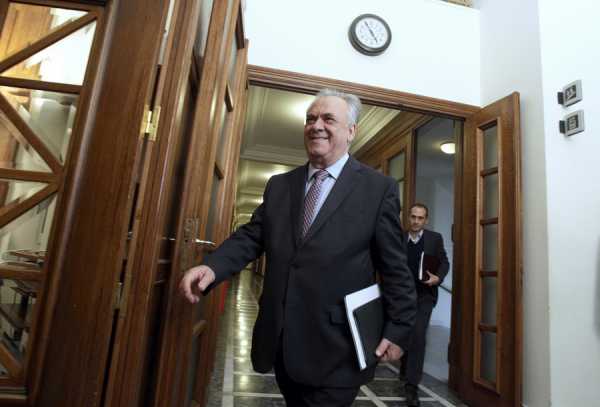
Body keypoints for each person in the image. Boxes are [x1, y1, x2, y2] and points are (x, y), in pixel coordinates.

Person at [179, 88, 417, 407]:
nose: (316, 125)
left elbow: (395, 267)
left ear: (351, 131)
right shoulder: (281, 185)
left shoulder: (377, 189)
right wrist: (212, 266)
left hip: (338, 348)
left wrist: (398, 329)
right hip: (282, 342)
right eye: (310, 118)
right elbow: (252, 236)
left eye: (328, 119)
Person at [399, 203, 450, 407]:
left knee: (418, 336)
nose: (416, 221)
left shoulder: (435, 239)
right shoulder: (399, 237)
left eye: (420, 218)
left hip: (424, 296)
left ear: (426, 220)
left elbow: (444, 262)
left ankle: (411, 387)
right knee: (405, 333)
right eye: (413, 217)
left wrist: (438, 278)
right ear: (408, 217)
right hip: (402, 296)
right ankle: (405, 366)